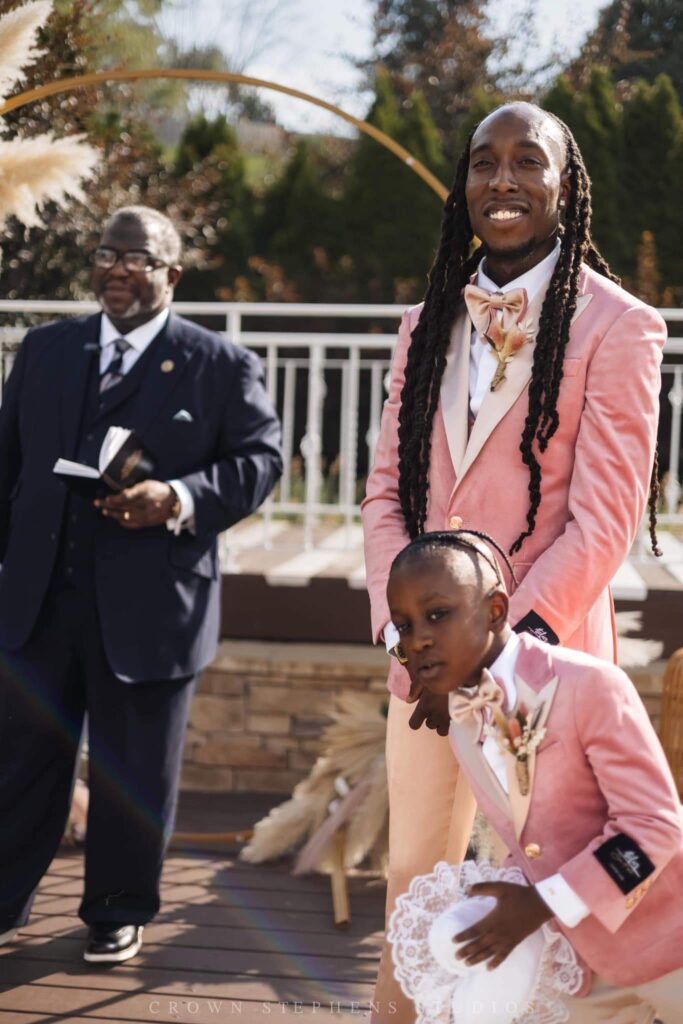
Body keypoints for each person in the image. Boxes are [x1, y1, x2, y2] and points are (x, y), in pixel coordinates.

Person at [361, 100, 667, 1020]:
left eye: (525, 160)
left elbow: (604, 520)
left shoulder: (619, 327)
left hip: (544, 666)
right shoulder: (423, 325)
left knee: (539, 907)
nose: (501, 179)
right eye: (482, 160)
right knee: (412, 881)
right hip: (418, 667)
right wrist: (406, 637)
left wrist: (499, 654)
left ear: (564, 185)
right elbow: (386, 494)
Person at [0, 205, 282, 963]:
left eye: (139, 258)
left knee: (134, 770)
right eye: (107, 254)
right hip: (38, 600)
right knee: (20, 759)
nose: (118, 268)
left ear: (173, 274)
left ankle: (116, 912)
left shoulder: (220, 365)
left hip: (152, 604)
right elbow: (8, 463)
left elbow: (261, 463)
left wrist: (179, 497)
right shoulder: (47, 349)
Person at [386, 529, 683, 1024]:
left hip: (669, 941)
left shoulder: (589, 686)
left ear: (497, 610)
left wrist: (545, 902)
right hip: (584, 969)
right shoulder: (464, 722)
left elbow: (657, 829)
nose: (418, 639)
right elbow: (535, 838)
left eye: (437, 614)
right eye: (404, 626)